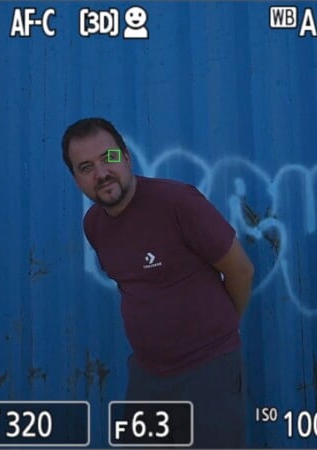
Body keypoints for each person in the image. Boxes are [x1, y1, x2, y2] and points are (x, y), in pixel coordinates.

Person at [62, 117, 255, 448]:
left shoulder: (178, 203)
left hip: (208, 372)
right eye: (86, 167)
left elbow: (241, 271)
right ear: (76, 179)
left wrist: (221, 329)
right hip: (147, 378)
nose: (102, 173)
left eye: (108, 158)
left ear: (126, 157)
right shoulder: (94, 225)